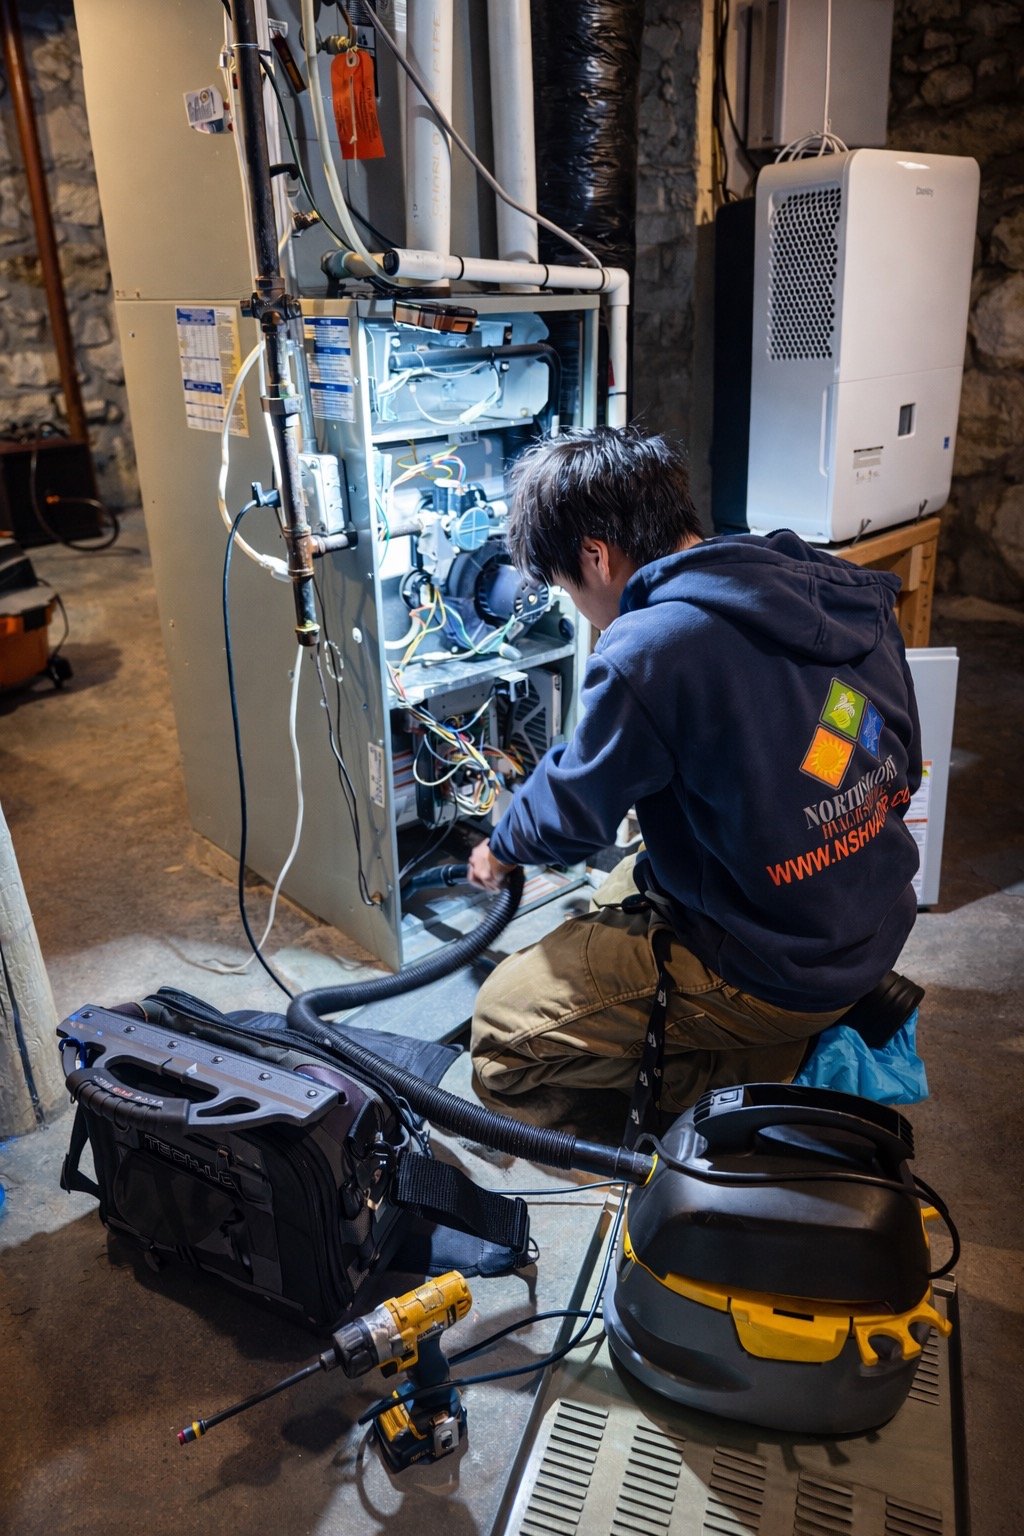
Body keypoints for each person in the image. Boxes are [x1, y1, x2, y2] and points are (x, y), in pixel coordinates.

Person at [467, 425, 922, 1120]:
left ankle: (759, 1086)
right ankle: (775, 1031)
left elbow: (575, 807)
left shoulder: (651, 647)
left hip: (784, 969)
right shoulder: (819, 581)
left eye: (568, 589)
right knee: (625, 884)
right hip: (872, 917)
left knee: (502, 1036)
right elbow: (899, 761)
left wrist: (501, 846)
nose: (584, 616)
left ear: (595, 556)